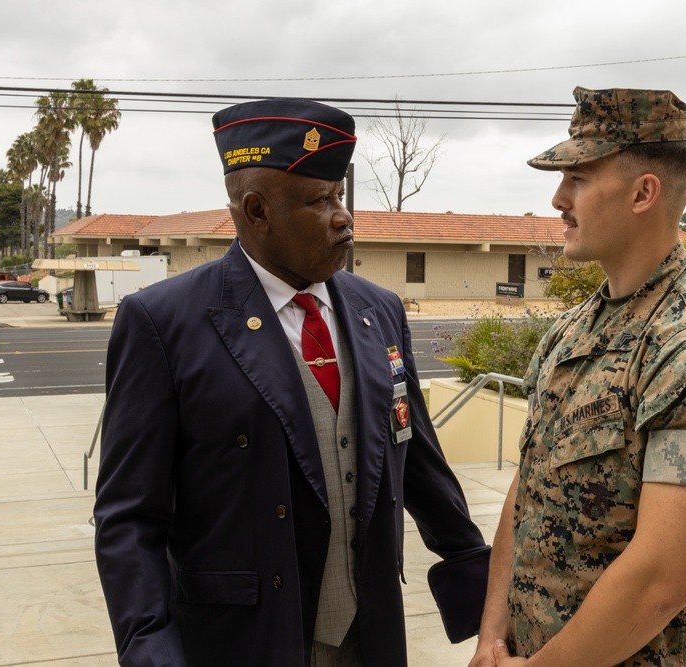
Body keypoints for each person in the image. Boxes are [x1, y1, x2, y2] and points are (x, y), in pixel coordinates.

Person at [93, 98, 490, 667]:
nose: (342, 216)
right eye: (318, 200)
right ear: (257, 211)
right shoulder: (163, 322)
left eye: (340, 196)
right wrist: (150, 648)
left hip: (368, 636)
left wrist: (480, 592)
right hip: (242, 642)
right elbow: (129, 514)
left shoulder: (378, 310)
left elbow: (417, 456)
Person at [470, 87, 686, 667]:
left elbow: (660, 580)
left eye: (579, 179)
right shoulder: (573, 331)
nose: (559, 198)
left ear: (644, 192)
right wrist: (493, 635)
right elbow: (528, 491)